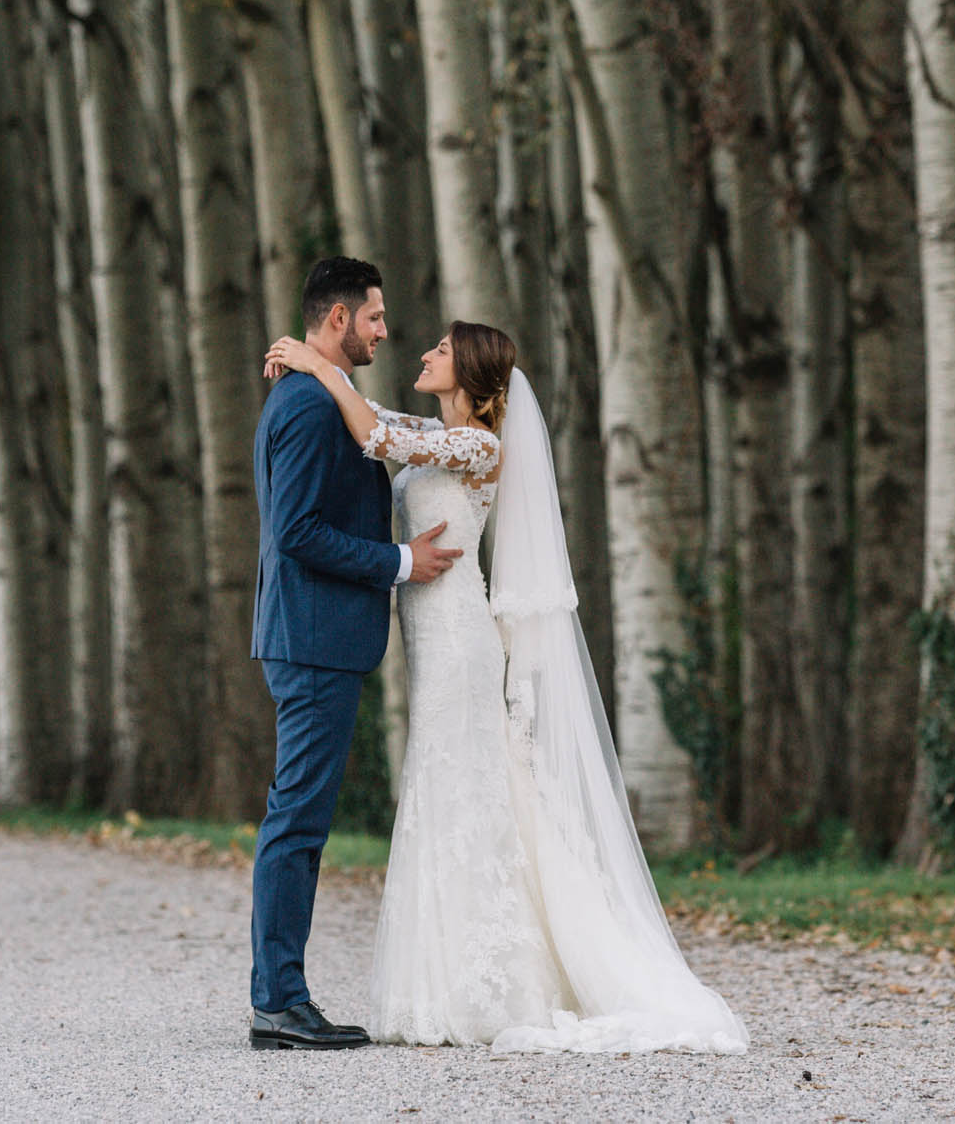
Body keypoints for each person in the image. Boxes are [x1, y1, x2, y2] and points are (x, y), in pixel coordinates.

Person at [264, 321, 748, 1055]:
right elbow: (372, 420)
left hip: (460, 644)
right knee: (441, 793)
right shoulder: (433, 429)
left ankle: (492, 983)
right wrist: (313, 371)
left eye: (440, 351)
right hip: (430, 642)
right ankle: (442, 980)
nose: (423, 353)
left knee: (463, 794)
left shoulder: (479, 447)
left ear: (469, 374)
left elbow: (370, 432)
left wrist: (312, 360)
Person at [246, 258, 461, 1051]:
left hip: (317, 638)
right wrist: (402, 562)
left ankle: (280, 995)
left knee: (299, 818)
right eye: (372, 317)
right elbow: (296, 531)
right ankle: (278, 1000)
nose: (382, 330)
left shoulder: (319, 392)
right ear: (337, 319)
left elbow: (375, 429)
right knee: (296, 821)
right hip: (310, 640)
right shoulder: (305, 404)